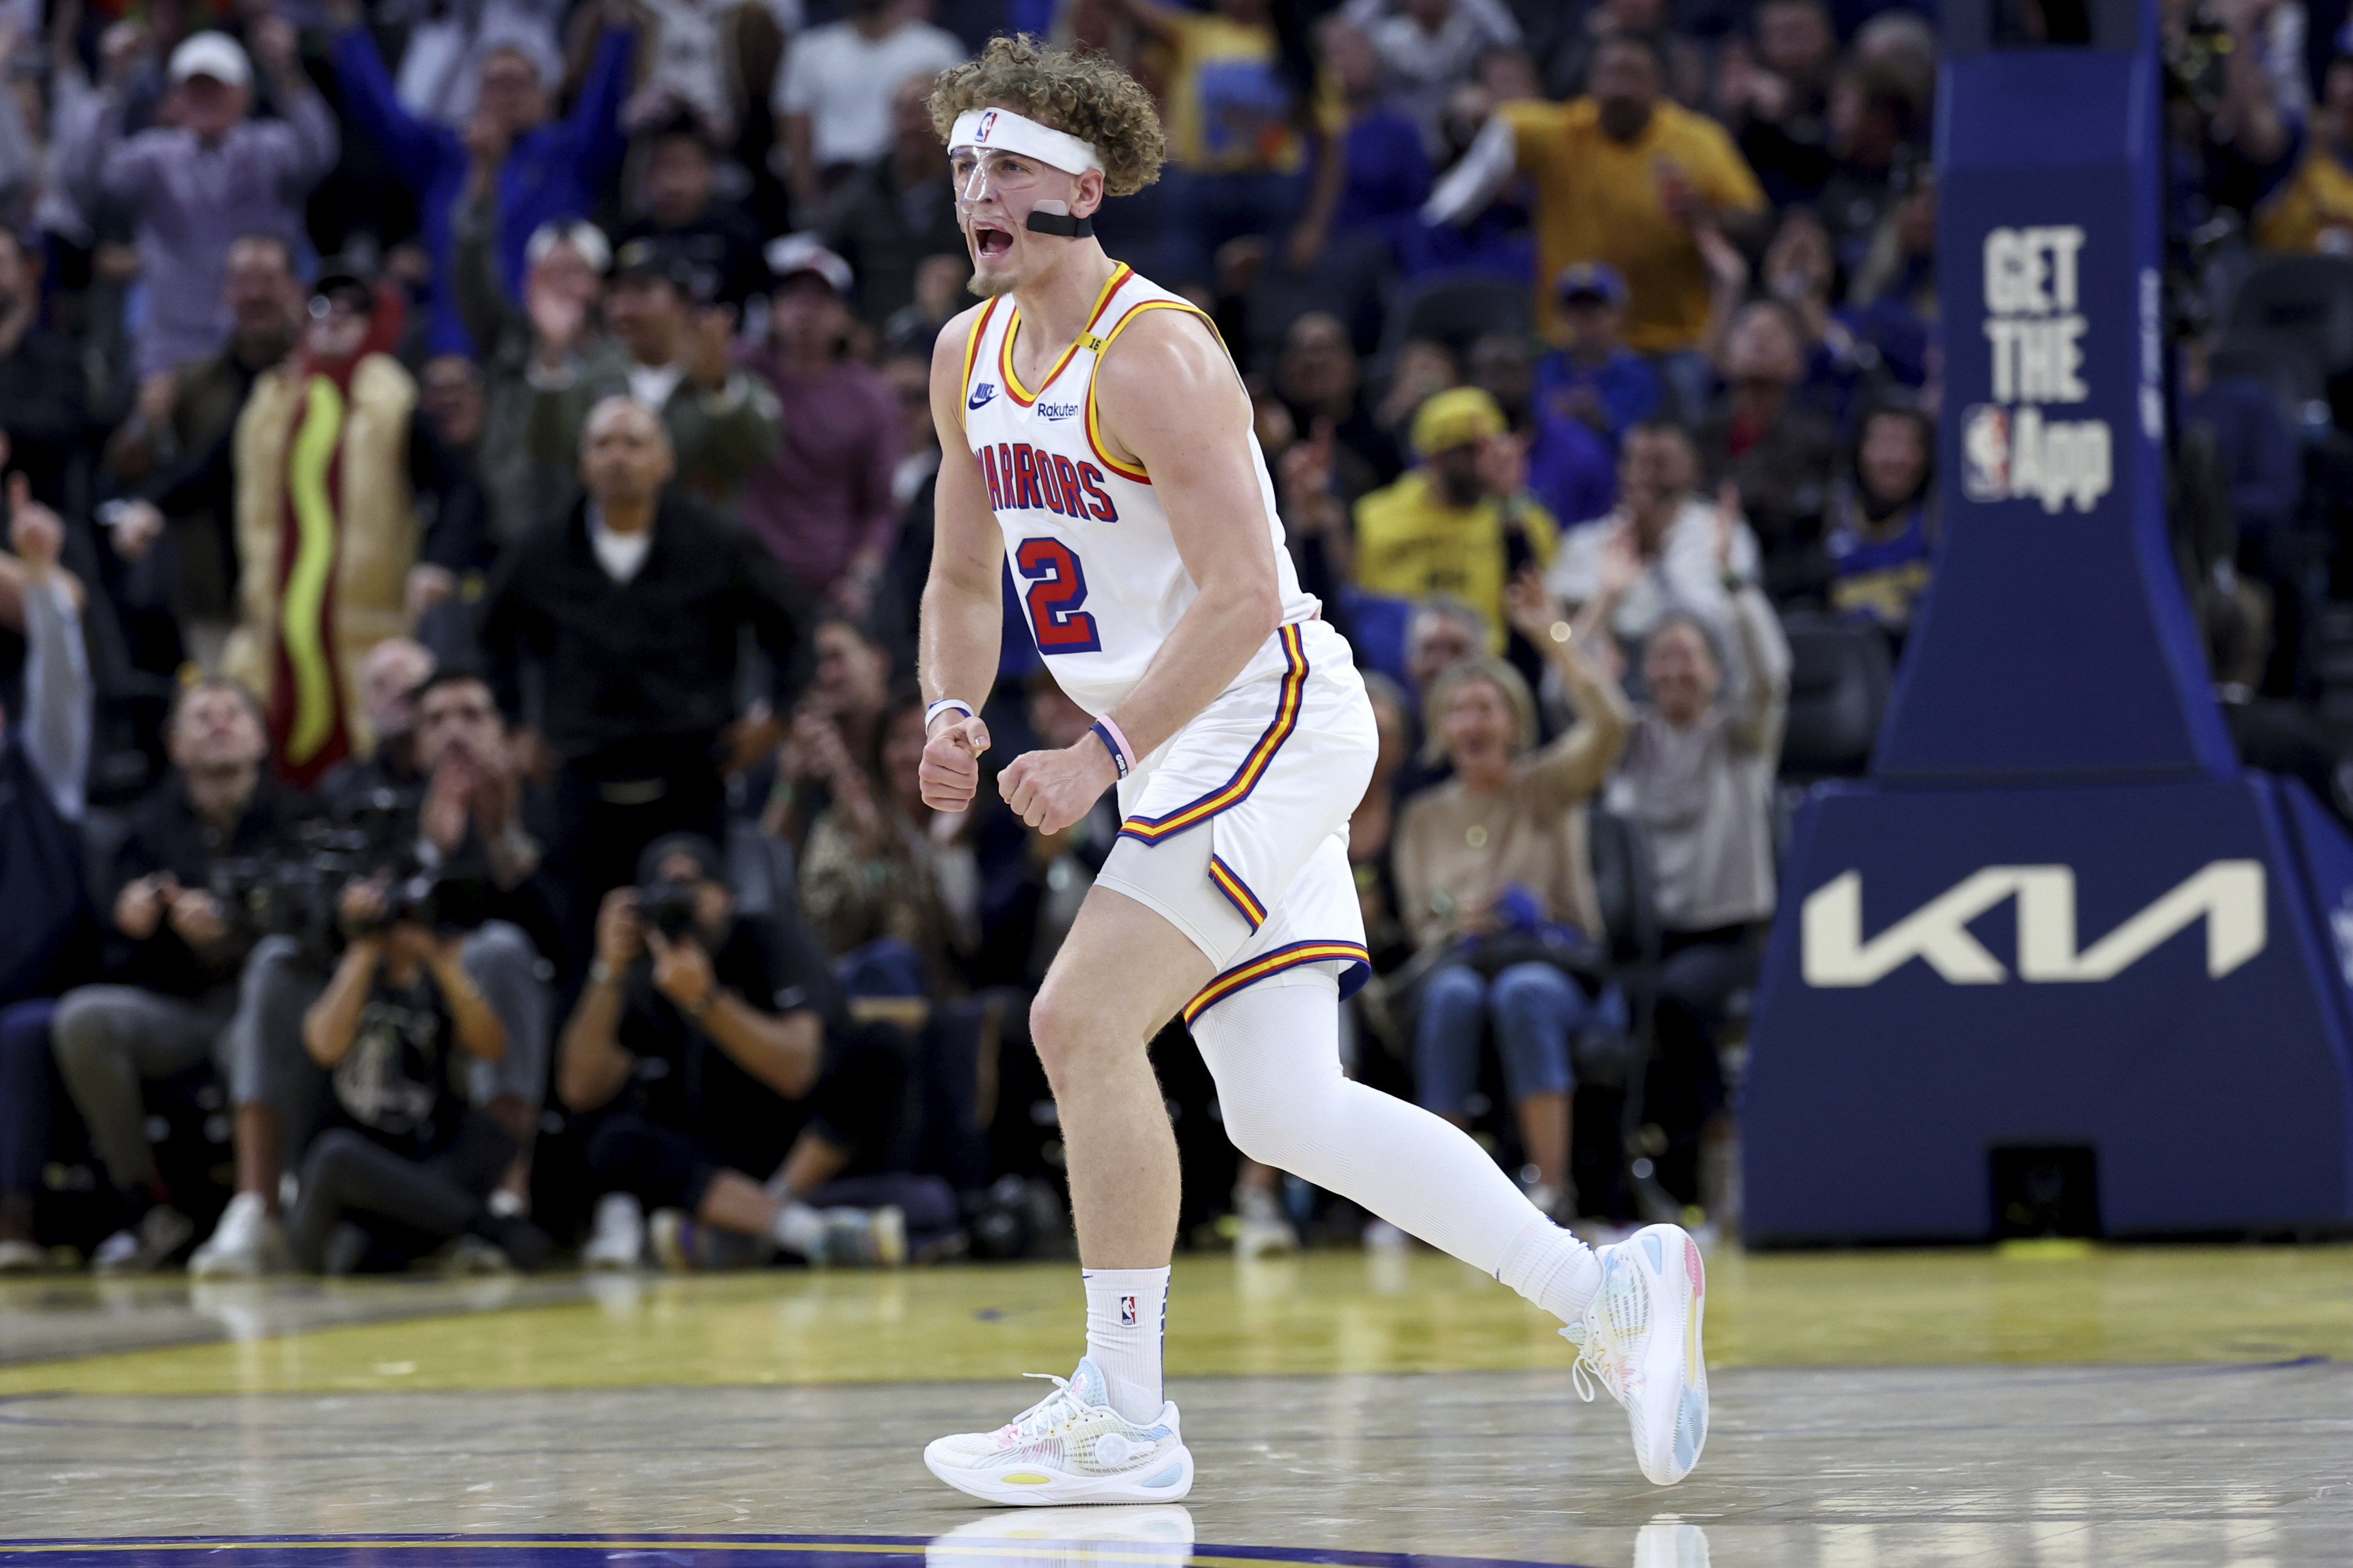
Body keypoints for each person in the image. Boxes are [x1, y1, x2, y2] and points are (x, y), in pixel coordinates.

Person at [911, 36, 1705, 1504]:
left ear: (1082, 186)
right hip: (1173, 740)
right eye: (963, 166)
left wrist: (1095, 752)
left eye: (1008, 163)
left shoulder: (1154, 349)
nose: (979, 190)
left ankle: (1126, 1415)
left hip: (1259, 712)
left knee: (1076, 1019)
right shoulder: (966, 355)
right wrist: (951, 707)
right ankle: (1609, 1292)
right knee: (1280, 1110)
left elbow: (1232, 599)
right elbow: (962, 575)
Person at [188, 664, 562, 1277]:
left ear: (503, 729)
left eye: (472, 715)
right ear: (411, 736)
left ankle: (505, 1196)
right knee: (274, 964)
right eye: (436, 718)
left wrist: (499, 835)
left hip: (458, 971)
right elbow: (315, 884)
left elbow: (555, 934)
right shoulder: (357, 787)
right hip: (356, 970)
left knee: (504, 951)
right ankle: (254, 1206)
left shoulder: (532, 797)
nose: (455, 732)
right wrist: (363, 932)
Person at [110, 264, 489, 785]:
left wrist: (438, 562)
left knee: (364, 740)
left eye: (350, 313)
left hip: (366, 621)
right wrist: (149, 506)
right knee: (269, 730)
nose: (334, 322)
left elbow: (460, 488)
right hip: (274, 623)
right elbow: (205, 469)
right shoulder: (271, 399)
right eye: (323, 309)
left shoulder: (393, 399)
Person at [479, 395, 808, 925]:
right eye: (602, 444)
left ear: (665, 460)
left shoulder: (718, 543)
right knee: (584, 945)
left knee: (691, 936)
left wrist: (776, 717)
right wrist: (514, 724)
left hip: (691, 780)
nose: (618, 457)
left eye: (634, 442)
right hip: (581, 782)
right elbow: (491, 635)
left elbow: (791, 629)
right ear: (582, 463)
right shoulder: (540, 551)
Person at [1394, 571, 1631, 1224]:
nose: (1472, 721)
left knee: (1521, 989)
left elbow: (1612, 724)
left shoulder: (1548, 784)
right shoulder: (1422, 815)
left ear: (1514, 721)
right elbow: (1420, 919)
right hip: (1460, 965)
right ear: (1441, 727)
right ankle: (1439, 1202)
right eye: (1458, 710)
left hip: (1554, 966)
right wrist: (1452, 918)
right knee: (1452, 995)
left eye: (1486, 708)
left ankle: (1550, 1192)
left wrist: (1552, 637)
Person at [562, 833, 911, 1269]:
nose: (680, 906)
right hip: (716, 1155)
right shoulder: (639, 971)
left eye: (692, 888)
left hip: (800, 1142)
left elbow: (798, 1071)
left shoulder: (768, 938)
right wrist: (606, 970)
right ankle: (800, 1232)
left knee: (880, 1046)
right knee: (611, 1141)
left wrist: (705, 1002)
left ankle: (762, 1220)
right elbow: (580, 1088)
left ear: (726, 895)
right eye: (663, 895)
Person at [50, 678, 298, 1273]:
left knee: (258, 1020)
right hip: (181, 1007)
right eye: (201, 716)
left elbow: (308, 930)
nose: (218, 723)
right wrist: (134, 922)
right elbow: (106, 946)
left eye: (232, 712)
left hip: (263, 1008)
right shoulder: (145, 828)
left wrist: (234, 927)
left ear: (262, 737)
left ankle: (262, 1205)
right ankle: (149, 1205)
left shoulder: (298, 816)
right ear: (175, 744)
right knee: (85, 1019)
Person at [1601, 510, 1790, 1214]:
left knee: (1675, 998)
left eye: (1690, 655)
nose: (1675, 668)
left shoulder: (1741, 739)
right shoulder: (1630, 738)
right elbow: (1571, 694)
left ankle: (1719, 1140)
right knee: (1613, 1010)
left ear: (1715, 670)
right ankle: (1626, 1187)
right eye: (1663, 655)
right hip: (1646, 940)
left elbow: (1771, 673)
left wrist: (1736, 585)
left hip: (1730, 936)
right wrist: (1607, 600)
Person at [1422, 30, 1764, 411]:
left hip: (1672, 341)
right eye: (1609, 74)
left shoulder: (1699, 140)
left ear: (1659, 84)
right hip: (1572, 341)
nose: (1620, 87)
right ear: (1590, 82)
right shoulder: (1559, 131)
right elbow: (1494, 136)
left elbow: (1754, 217)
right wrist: (1465, 118)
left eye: (1633, 74)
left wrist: (1705, 213)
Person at [330, 0, 636, 355]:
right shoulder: (445, 156)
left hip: (539, 345)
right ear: (476, 95)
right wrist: (346, 23)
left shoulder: (570, 155)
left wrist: (618, 26)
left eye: (519, 83)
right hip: (454, 349)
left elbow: (607, 99)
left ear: (545, 95)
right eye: (494, 84)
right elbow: (379, 111)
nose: (506, 95)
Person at [283, 871, 549, 1275]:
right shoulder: (344, 968)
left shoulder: (434, 984)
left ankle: (440, 1235)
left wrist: (442, 962)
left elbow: (492, 1046)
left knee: (493, 1135)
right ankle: (485, 1229)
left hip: (415, 1176)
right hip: (337, 1192)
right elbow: (325, 1045)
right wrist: (365, 946)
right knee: (337, 1154)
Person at [75, 23, 337, 378]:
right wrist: (113, 82)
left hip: (263, 346)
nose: (205, 98)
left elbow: (320, 153)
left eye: (216, 88)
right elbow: (87, 176)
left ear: (243, 94)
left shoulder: (269, 149)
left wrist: (285, 71)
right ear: (176, 97)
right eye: (194, 88)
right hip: (173, 352)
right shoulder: (155, 158)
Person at [0, 480, 91, 1273]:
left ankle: (15, 1217)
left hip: (30, 985)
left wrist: (41, 575)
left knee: (23, 1032)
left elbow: (62, 689)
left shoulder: (40, 766)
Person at [525, 236, 781, 510]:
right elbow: (550, 451)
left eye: (641, 292)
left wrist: (719, 389)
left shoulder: (721, 371)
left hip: (699, 542)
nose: (623, 309)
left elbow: (758, 452)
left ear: (683, 302)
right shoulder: (595, 372)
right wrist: (552, 355)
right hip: (614, 536)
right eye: (616, 294)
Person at [739, 239, 902, 615]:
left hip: (828, 582)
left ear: (846, 316)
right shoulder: (738, 375)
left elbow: (880, 506)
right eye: (792, 298)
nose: (804, 313)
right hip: (743, 577)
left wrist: (861, 578)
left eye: (821, 302)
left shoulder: (871, 399)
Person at [1352, 387, 1559, 654]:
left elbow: (1536, 607)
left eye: (1492, 447)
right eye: (1469, 450)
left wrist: (1509, 502)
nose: (1485, 462)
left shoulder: (1527, 519)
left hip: (1491, 663)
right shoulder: (1377, 516)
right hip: (1405, 664)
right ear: (1434, 457)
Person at [1548, 422, 1763, 668]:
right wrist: (1607, 600)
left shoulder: (1722, 534)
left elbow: (1730, 629)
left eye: (1660, 463)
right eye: (1635, 461)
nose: (1643, 475)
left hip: (1703, 675)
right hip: (1613, 678)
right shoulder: (1584, 542)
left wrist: (1659, 550)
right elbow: (1556, 636)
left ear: (1695, 470)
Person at [1696, 302, 1841, 607]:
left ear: (1798, 364)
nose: (1760, 340)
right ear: (1724, 358)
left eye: (1774, 334)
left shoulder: (1818, 439)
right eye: (1749, 332)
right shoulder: (1699, 436)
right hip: (1705, 579)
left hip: (1789, 587)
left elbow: (1804, 513)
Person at [772, 0, 967, 214]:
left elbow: (957, 131)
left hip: (907, 188)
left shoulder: (938, 49)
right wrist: (809, 205)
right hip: (831, 185)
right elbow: (795, 134)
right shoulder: (809, 50)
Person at [823, 74, 972, 333]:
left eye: (921, 111)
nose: (909, 125)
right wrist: (849, 323)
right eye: (901, 111)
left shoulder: (976, 191)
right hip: (874, 341)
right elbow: (828, 262)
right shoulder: (864, 189)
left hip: (959, 333)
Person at [615, 116, 770, 313]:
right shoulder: (629, 237)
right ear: (646, 177)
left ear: (708, 174)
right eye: (663, 167)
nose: (672, 184)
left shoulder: (739, 234)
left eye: (683, 167)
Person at [1824, 401, 1937, 641]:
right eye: (1884, 442)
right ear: (1858, 448)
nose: (1895, 459)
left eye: (1909, 444)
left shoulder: (1942, 522)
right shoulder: (1825, 515)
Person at [1532, 263, 1661, 452]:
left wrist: (1599, 416)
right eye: (1577, 308)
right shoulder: (1546, 369)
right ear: (1564, 315)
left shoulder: (1639, 375)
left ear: (1617, 313)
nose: (1586, 316)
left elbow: (1644, 439)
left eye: (1595, 307)